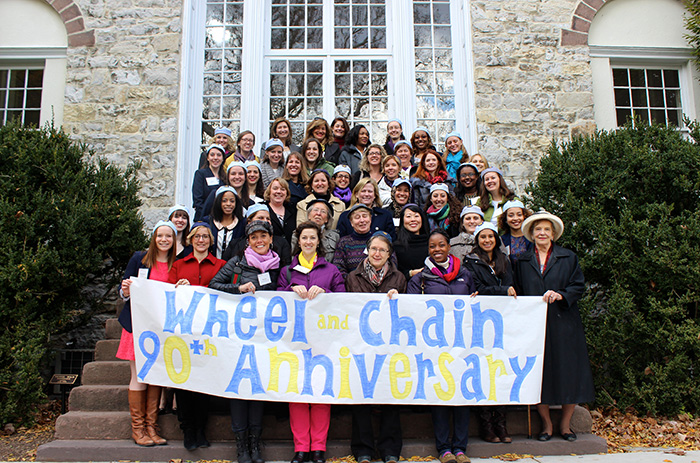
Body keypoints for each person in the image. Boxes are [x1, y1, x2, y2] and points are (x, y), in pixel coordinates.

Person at [514, 211, 594, 443]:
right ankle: (546, 425)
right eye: (538, 229)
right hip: (534, 326)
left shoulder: (568, 258)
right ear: (531, 234)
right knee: (539, 374)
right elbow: (517, 289)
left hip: (564, 322)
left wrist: (561, 294)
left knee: (569, 372)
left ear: (553, 234)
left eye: (546, 229)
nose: (542, 233)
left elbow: (578, 286)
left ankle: (566, 426)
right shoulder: (522, 261)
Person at [210, 220, 282, 463]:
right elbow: (213, 286)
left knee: (258, 387)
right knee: (240, 389)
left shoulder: (278, 266)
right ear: (248, 241)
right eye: (254, 238)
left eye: (263, 236)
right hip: (238, 337)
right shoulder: (237, 263)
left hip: (265, 338)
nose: (259, 241)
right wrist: (237, 288)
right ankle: (241, 445)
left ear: (271, 238)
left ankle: (255, 442)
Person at [277, 222, 345, 463]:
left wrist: (326, 295)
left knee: (319, 394)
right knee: (297, 394)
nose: (308, 242)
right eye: (304, 238)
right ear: (299, 241)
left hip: (323, 342)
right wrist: (288, 291)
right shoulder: (287, 271)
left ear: (319, 241)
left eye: (312, 238)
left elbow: (343, 301)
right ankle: (301, 447)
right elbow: (275, 304)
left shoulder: (331, 270)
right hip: (294, 342)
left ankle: (318, 447)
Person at [407, 229, 474, 463]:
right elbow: (411, 312)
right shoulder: (420, 279)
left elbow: (478, 301)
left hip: (462, 344)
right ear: (428, 250)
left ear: (449, 247)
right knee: (440, 394)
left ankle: (461, 447)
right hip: (433, 346)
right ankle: (444, 448)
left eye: (441, 245)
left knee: (462, 394)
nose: (437, 250)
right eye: (433, 246)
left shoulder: (465, 274)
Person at [117, 220, 178, 447]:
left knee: (155, 377)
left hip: (160, 328)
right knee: (139, 376)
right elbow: (124, 287)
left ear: (174, 240)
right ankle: (138, 428)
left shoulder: (176, 263)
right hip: (137, 325)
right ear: (154, 238)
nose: (164, 240)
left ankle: (152, 427)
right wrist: (124, 291)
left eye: (169, 236)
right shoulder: (140, 259)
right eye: (160, 235)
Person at [346, 231, 405, 463]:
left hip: (389, 346)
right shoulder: (353, 277)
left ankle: (390, 449)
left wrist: (397, 297)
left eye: (382, 250)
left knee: (390, 395)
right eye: (373, 249)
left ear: (389, 254)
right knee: (361, 397)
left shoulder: (398, 277)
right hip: (360, 345)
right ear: (367, 251)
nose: (377, 253)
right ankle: (363, 450)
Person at [167, 222, 226, 450]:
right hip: (184, 333)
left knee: (204, 381)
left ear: (211, 242)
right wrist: (177, 287)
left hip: (210, 334)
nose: (201, 240)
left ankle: (201, 428)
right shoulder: (179, 265)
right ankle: (187, 428)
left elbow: (227, 290)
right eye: (197, 237)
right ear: (190, 240)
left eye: (205, 237)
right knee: (184, 383)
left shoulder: (221, 265)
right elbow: (166, 294)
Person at [463, 222, 516, 445]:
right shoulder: (470, 262)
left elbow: (513, 285)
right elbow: (477, 289)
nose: (486, 240)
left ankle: (501, 424)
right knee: (484, 370)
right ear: (477, 240)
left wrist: (506, 290)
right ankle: (486, 424)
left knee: (500, 370)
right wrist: (502, 291)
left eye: (490, 237)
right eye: (482, 237)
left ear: (496, 239)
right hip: (480, 320)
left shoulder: (505, 259)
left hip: (503, 320)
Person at [223, 203, 292, 267]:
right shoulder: (235, 244)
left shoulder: (282, 243)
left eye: (268, 218)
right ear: (249, 221)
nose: (265, 221)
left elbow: (286, 270)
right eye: (260, 218)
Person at [291, 198, 340, 262]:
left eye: (323, 211)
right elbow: (293, 258)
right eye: (315, 210)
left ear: (327, 219)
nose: (318, 213)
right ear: (309, 215)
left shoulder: (335, 236)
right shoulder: (297, 234)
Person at [206, 186, 246, 259]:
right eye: (224, 201)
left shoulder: (242, 224)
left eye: (232, 201)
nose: (228, 204)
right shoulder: (208, 222)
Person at [393, 204, 430, 280]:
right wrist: (411, 273)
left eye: (416, 216)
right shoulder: (397, 246)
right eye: (408, 216)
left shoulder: (430, 242)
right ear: (402, 220)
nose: (413, 219)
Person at [192, 144, 225, 221]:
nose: (215, 158)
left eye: (219, 155)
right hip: (203, 217)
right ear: (207, 158)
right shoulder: (200, 174)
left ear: (223, 158)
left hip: (220, 219)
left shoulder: (225, 177)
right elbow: (197, 200)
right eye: (212, 155)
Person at [498, 200, 533, 264]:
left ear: (524, 216)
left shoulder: (532, 238)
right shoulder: (501, 240)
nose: (515, 218)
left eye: (519, 215)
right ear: (505, 219)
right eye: (511, 215)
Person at [265, 177, 297, 245]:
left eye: (282, 189)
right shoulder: (263, 209)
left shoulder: (292, 211)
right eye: (275, 188)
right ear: (269, 191)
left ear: (286, 193)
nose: (279, 192)